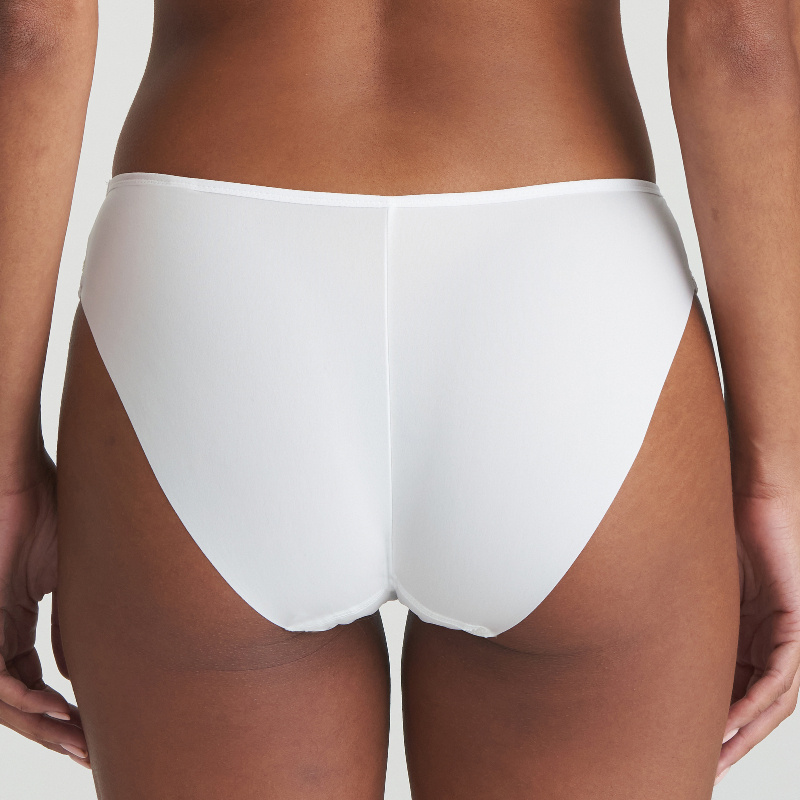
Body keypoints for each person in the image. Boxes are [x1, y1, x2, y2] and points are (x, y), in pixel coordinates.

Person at [2, 0, 799, 796]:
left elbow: (32, 32)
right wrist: (775, 478)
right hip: (563, 283)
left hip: (210, 286)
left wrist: (5, 476)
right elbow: (744, 39)